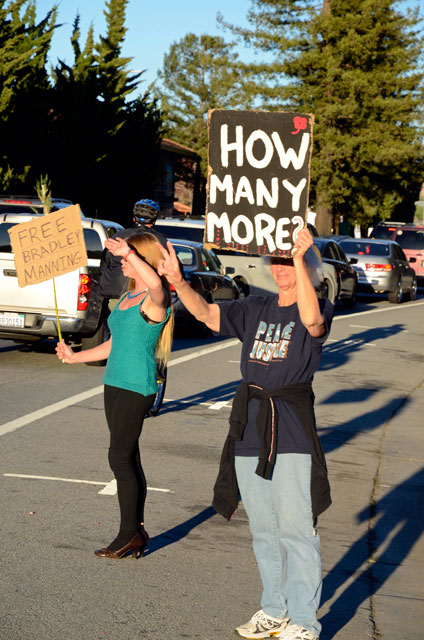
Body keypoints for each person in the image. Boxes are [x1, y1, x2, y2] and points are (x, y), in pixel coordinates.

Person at [158, 227, 333, 640]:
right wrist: (178, 280)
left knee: (296, 527)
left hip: (289, 427)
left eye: (288, 260)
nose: (281, 268)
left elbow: (311, 322)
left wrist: (304, 260)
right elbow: (206, 314)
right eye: (276, 260)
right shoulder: (254, 307)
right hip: (250, 427)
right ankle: (275, 609)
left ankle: (305, 621)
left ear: (304, 265)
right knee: (264, 529)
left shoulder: (319, 303)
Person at [56, 232, 174, 559]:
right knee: (129, 456)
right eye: (123, 256)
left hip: (138, 386)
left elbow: (158, 286)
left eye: (129, 255)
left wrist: (130, 252)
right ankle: (136, 529)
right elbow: (113, 345)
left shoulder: (154, 299)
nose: (123, 260)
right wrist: (73, 356)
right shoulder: (126, 299)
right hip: (115, 382)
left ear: (143, 258)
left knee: (118, 458)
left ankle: (127, 534)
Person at [98, 199, 168, 306]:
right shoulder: (160, 240)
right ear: (154, 220)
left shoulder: (118, 236)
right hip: (144, 296)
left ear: (134, 218)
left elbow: (104, 264)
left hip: (114, 294)